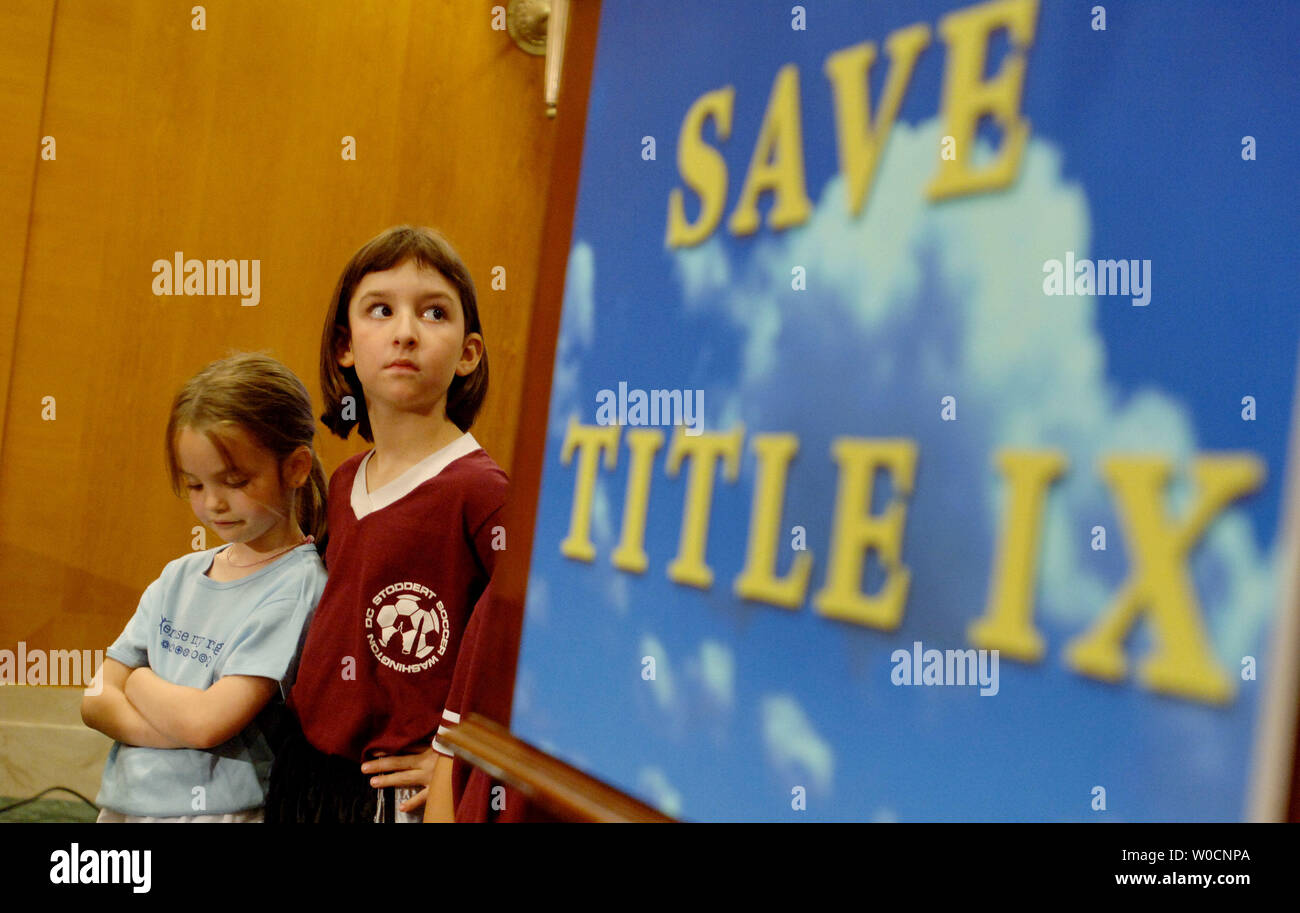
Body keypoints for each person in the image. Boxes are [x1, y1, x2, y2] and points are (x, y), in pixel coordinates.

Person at [265, 225, 508, 823]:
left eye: (433, 313)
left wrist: (457, 760)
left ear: (468, 352)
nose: (405, 331)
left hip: (391, 787)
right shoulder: (346, 479)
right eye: (381, 309)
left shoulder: (483, 492)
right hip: (308, 767)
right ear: (345, 346)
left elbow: (528, 641)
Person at [82, 353, 329, 822]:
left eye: (234, 481)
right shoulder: (180, 574)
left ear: (296, 468)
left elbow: (208, 721)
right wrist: (175, 726)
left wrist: (137, 681)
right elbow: (94, 700)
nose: (212, 503)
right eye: (194, 485)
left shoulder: (298, 586)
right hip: (127, 805)